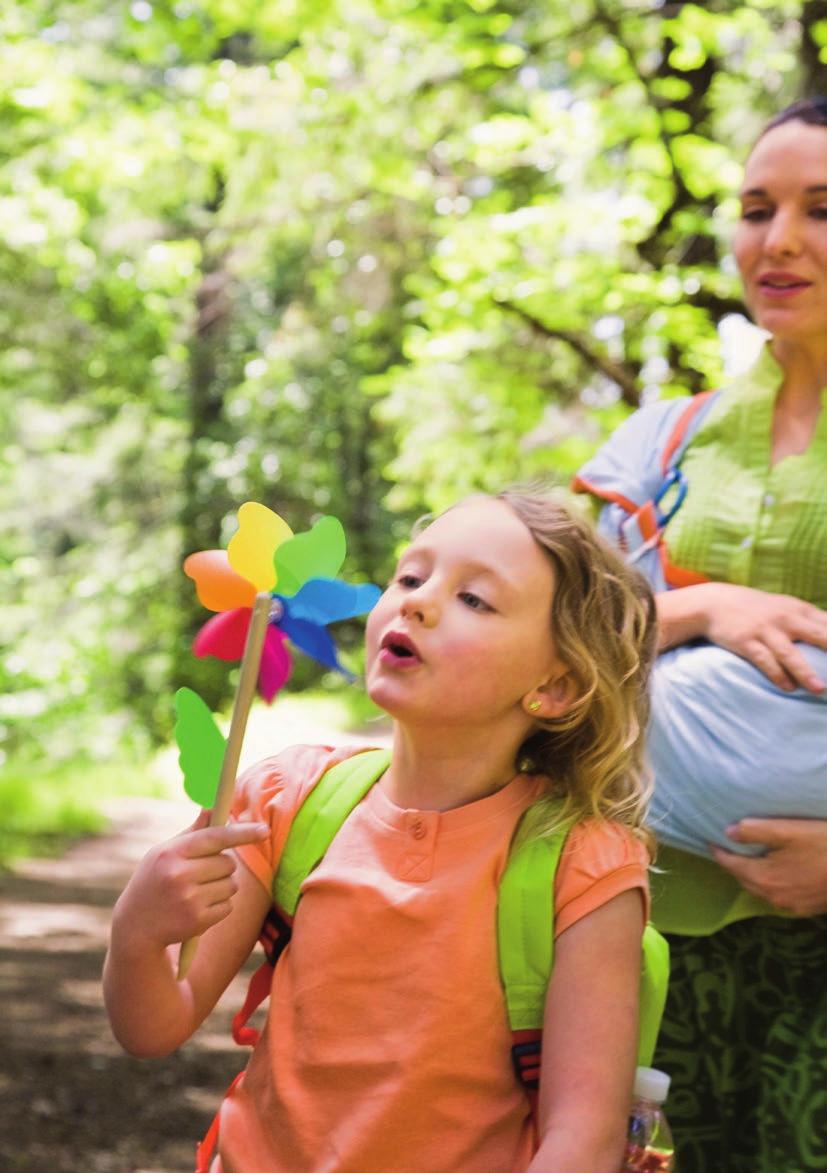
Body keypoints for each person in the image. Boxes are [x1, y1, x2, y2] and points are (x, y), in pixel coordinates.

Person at [103, 491, 657, 1173]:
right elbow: (154, 1025)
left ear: (556, 684)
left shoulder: (584, 866)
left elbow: (582, 1135)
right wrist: (137, 932)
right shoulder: (282, 800)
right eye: (410, 576)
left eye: (474, 598)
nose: (416, 601)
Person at [575, 97, 827, 1172]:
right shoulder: (663, 441)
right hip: (653, 927)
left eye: (821, 210)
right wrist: (697, 607)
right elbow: (546, 643)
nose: (776, 241)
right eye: (754, 208)